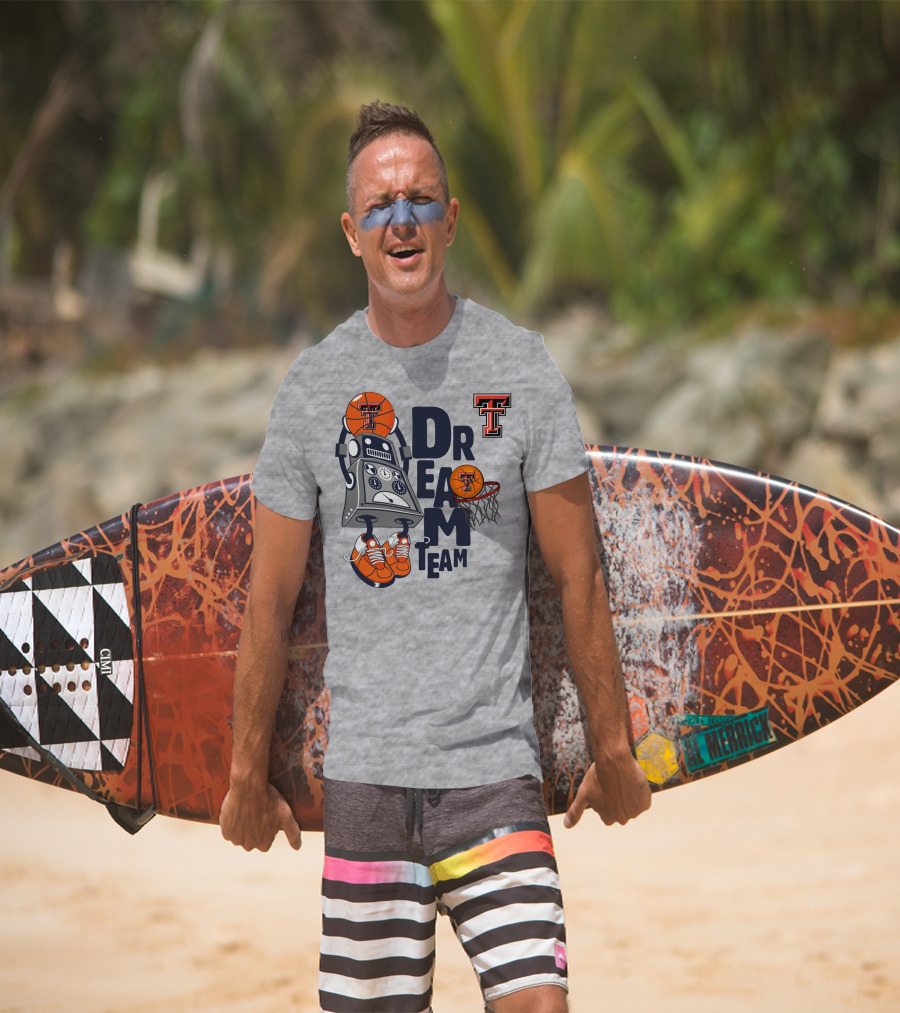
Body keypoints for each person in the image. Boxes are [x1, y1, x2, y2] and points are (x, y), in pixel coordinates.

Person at [220, 100, 651, 1013]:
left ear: (450, 219)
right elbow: (269, 600)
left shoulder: (521, 368)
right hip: (368, 779)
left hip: (495, 773)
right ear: (351, 232)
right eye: (380, 205)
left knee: (540, 1003)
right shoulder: (312, 390)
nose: (402, 220)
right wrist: (242, 772)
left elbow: (579, 575)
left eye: (421, 200)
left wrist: (612, 746)